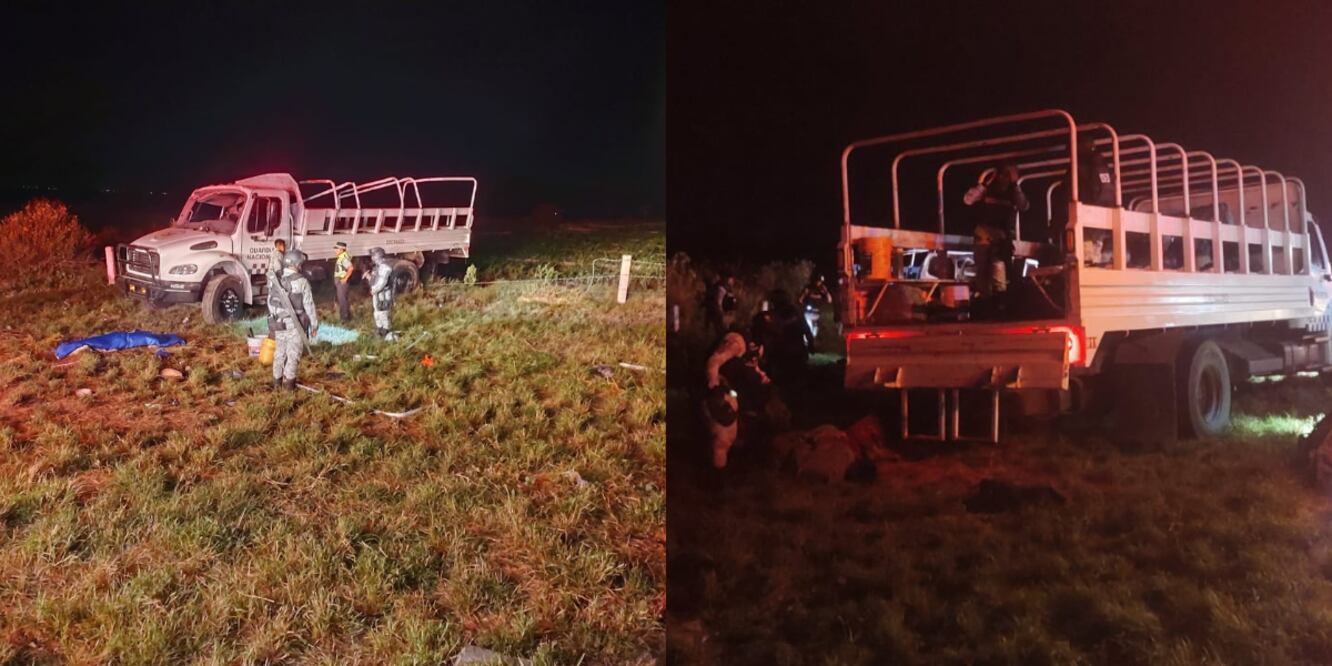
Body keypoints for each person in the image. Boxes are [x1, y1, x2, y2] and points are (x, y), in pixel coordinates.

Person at [963, 161, 1028, 311]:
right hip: (983, 234)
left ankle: (1000, 304)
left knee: (998, 269)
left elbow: (1024, 205)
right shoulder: (987, 190)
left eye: (1007, 176)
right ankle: (985, 303)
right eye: (1001, 175)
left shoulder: (1013, 193)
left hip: (1002, 238)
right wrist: (983, 184)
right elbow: (968, 200)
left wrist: (1015, 185)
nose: (1003, 179)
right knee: (982, 271)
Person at [266, 249, 318, 390]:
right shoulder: (302, 282)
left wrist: (276, 317)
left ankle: (276, 383)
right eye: (300, 263)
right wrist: (314, 325)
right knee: (293, 355)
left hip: (278, 324)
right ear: (296, 264)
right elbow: (309, 306)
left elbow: (270, 302)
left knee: (279, 353)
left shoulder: (275, 280)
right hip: (295, 325)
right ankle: (289, 387)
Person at [367, 247, 397, 340]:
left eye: (373, 255)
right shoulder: (377, 267)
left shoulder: (385, 267)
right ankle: (380, 328)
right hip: (377, 294)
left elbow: (382, 282)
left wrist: (374, 289)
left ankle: (386, 330)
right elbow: (375, 279)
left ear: (378, 256)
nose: (372, 258)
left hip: (383, 294)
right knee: (377, 312)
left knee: (383, 312)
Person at [798, 273, 832, 346]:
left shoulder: (822, 289)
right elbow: (800, 299)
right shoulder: (808, 288)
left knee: (816, 328)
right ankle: (807, 341)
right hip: (809, 311)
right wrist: (804, 296)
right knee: (808, 325)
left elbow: (829, 300)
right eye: (818, 281)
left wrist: (826, 292)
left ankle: (814, 340)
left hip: (818, 312)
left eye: (820, 282)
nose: (818, 283)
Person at [704, 272, 737, 337]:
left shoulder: (727, 289)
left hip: (725, 316)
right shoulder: (721, 289)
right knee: (721, 335)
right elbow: (718, 304)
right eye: (730, 279)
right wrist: (722, 316)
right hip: (721, 317)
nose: (732, 281)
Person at [332, 241, 354, 322]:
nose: (335, 250)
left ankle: (344, 319)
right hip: (340, 281)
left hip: (342, 282)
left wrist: (345, 279)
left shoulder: (343, 258)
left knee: (342, 300)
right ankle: (346, 316)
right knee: (342, 299)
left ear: (342, 250)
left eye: (337, 249)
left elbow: (351, 268)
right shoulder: (341, 257)